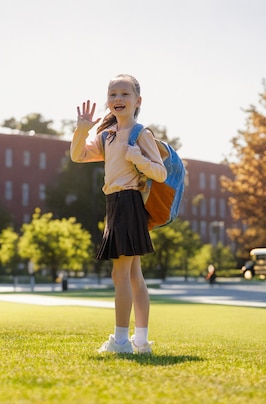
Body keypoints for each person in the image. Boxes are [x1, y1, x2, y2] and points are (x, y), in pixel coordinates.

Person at [70, 74, 166, 354]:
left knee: (120, 274)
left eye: (124, 94)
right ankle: (141, 341)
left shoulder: (141, 134)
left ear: (138, 101)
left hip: (129, 202)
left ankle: (122, 341)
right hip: (115, 204)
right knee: (134, 274)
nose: (118, 99)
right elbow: (78, 156)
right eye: (113, 95)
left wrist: (136, 156)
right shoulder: (107, 136)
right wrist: (82, 130)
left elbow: (159, 172)